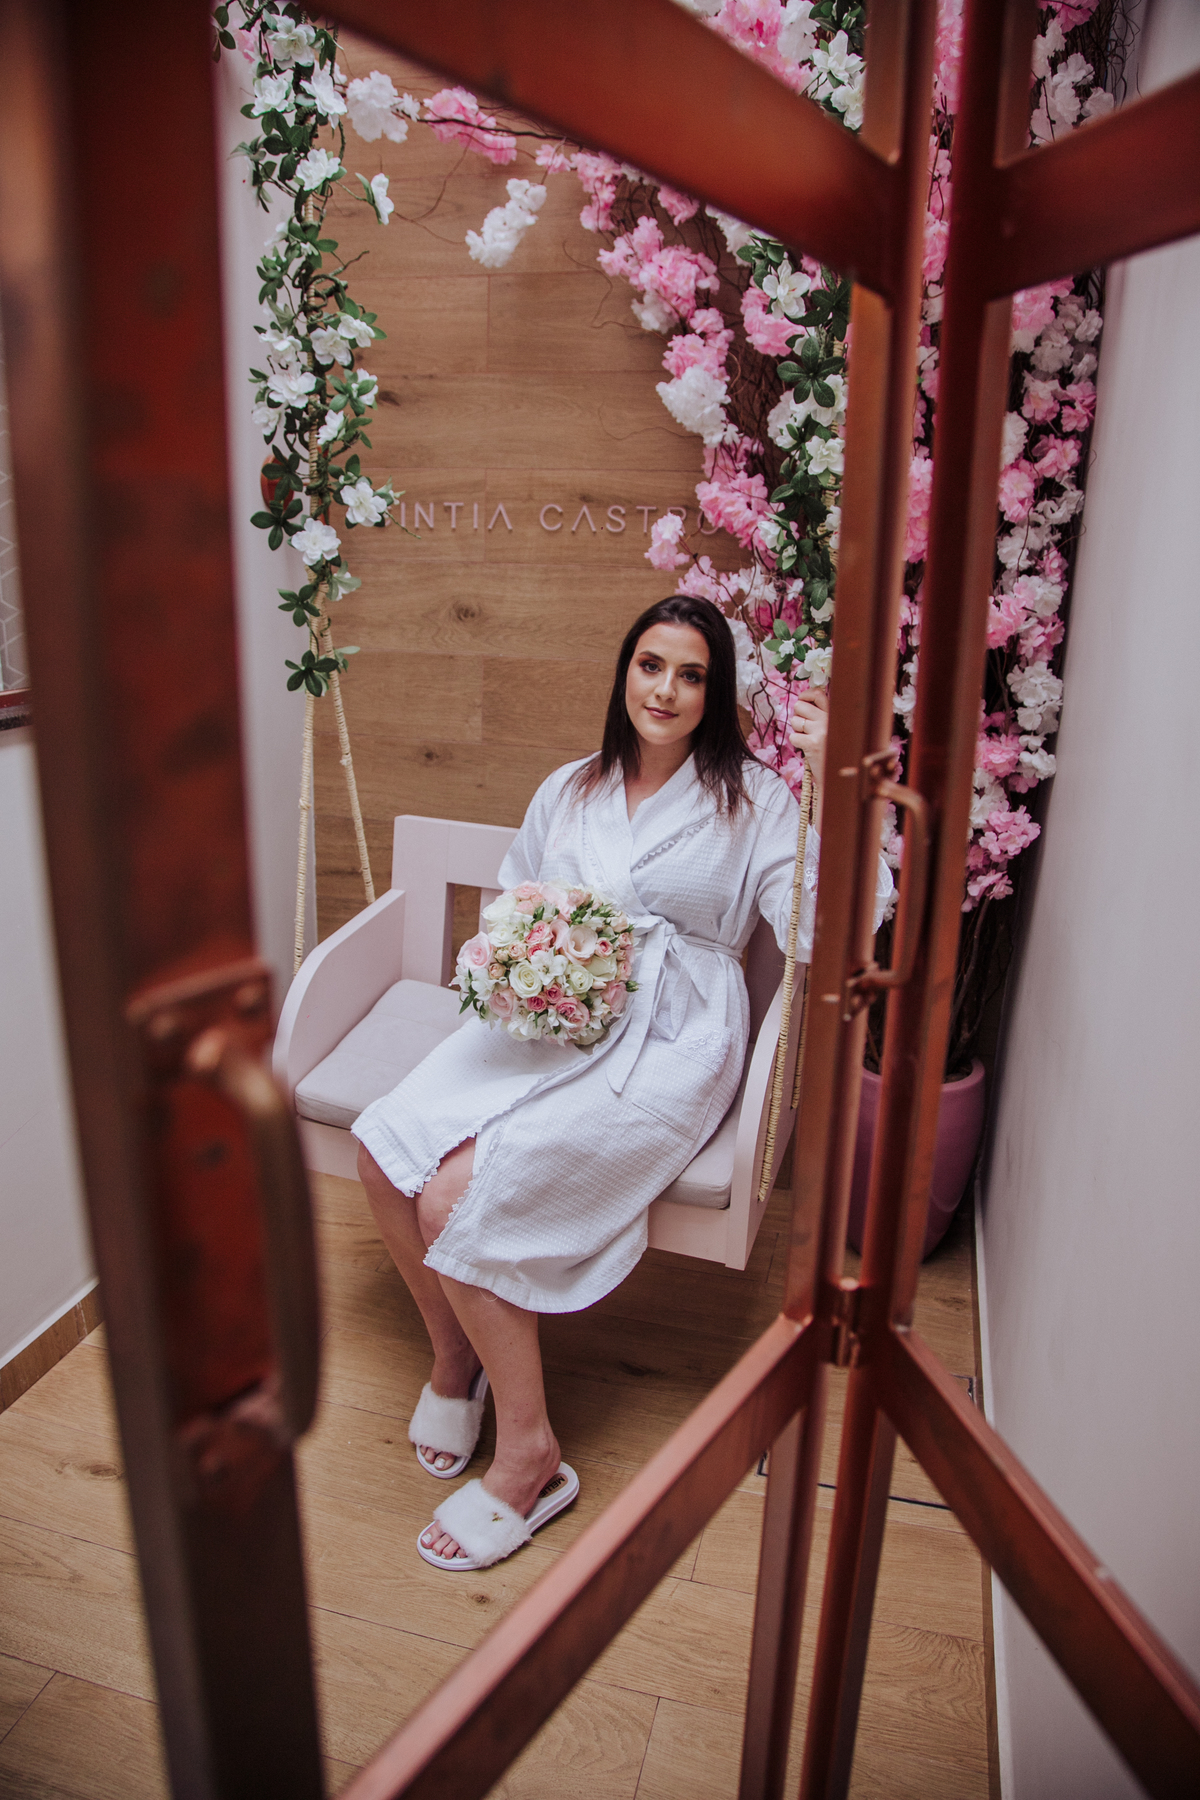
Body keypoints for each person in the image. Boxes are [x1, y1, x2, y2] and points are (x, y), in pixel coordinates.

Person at [354, 595, 891, 1572]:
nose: (667, 690)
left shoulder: (758, 800)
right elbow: (517, 891)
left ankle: (530, 1454)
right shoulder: (573, 785)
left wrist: (837, 786)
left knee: (454, 1197)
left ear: (715, 692)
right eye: (652, 665)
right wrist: (516, 965)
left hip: (675, 1035)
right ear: (625, 672)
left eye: (692, 675)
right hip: (553, 1009)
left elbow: (822, 930)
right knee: (385, 1148)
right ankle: (456, 1355)